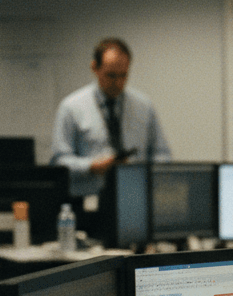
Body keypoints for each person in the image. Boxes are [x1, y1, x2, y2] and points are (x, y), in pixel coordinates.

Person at [50, 38, 171, 203]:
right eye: (111, 75)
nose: (118, 83)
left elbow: (162, 154)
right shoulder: (71, 107)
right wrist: (91, 166)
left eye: (124, 75)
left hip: (134, 198)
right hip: (88, 201)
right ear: (95, 68)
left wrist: (141, 169)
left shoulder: (144, 107)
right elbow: (59, 162)